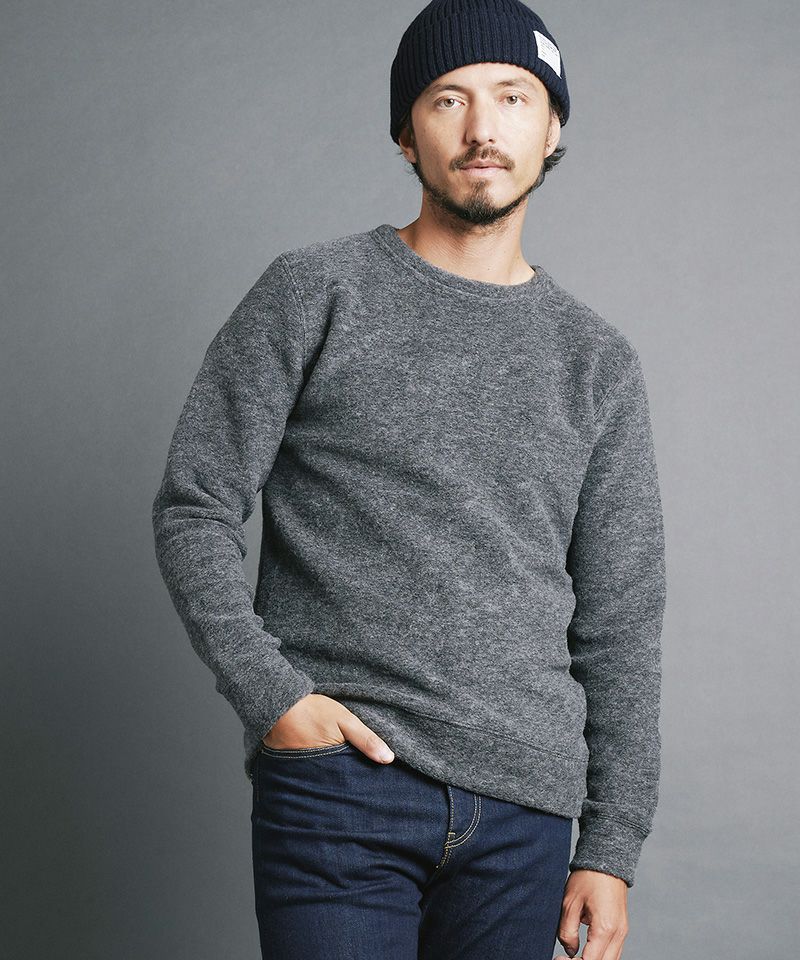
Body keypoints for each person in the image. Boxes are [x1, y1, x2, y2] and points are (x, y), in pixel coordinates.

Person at [151, 1, 667, 958]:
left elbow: (622, 621)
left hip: (525, 815)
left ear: (551, 129)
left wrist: (612, 844)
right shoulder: (315, 292)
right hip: (342, 786)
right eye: (448, 99)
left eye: (513, 97)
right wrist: (275, 698)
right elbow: (195, 505)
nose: (482, 128)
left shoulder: (597, 361)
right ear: (406, 134)